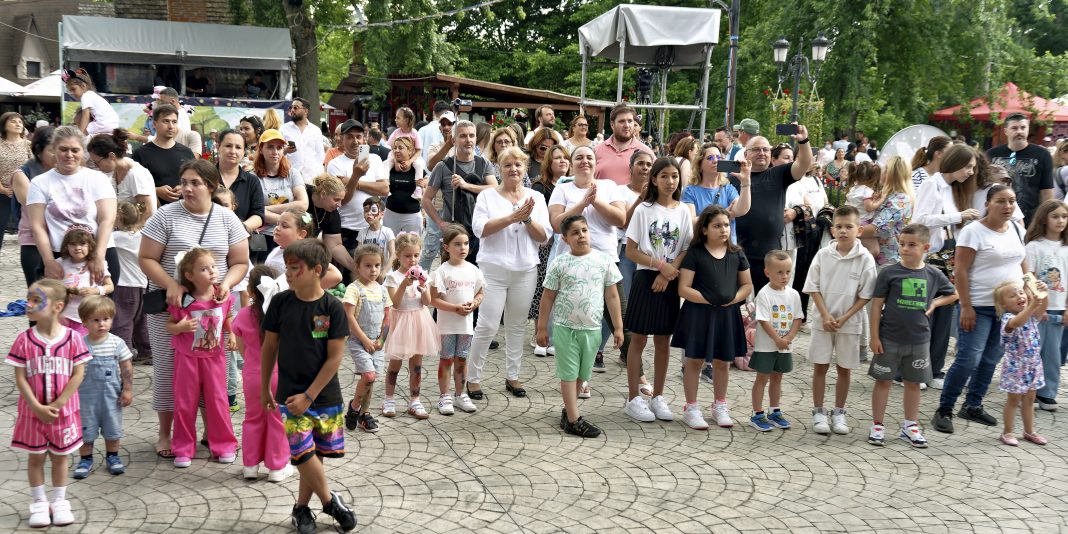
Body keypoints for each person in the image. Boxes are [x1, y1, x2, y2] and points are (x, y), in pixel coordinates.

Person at [140, 160, 249, 459]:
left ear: (211, 186)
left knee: (210, 371)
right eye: (184, 182)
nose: (187, 188)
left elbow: (240, 261)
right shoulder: (165, 215)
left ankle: (211, 432)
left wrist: (227, 283)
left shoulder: (227, 219)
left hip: (211, 309)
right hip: (172, 308)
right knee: (168, 370)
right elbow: (146, 258)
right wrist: (171, 284)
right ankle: (166, 433)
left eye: (195, 183)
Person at [259, 239, 357, 534]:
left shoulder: (333, 308)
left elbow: (334, 359)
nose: (288, 274)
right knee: (302, 452)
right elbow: (269, 347)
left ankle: (301, 508)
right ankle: (329, 502)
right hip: (290, 396)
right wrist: (265, 387)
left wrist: (310, 395)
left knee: (313, 456)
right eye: (287, 268)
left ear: (317, 270)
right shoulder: (280, 303)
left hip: (324, 396)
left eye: (295, 268)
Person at [931, 184, 1028, 434]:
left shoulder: (1017, 229)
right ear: (987, 204)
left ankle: (973, 405)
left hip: (1007, 309)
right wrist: (965, 306)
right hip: (978, 306)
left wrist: (1030, 289)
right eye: (1001, 201)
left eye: (1011, 201)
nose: (1007, 206)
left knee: (991, 358)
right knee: (968, 358)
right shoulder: (973, 231)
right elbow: (961, 270)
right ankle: (944, 409)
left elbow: (1023, 263)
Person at [467, 147, 550, 400]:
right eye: (507, 165)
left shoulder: (536, 197)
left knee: (516, 325)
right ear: (499, 169)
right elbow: (480, 229)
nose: (513, 169)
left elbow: (544, 237)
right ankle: (473, 378)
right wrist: (513, 217)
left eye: (518, 165)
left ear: (525, 168)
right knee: (488, 325)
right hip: (493, 269)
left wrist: (527, 219)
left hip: (525, 269)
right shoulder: (487, 197)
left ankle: (513, 376)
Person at [7, 279, 90, 528]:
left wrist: (59, 403)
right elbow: (20, 377)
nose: (28, 304)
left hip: (64, 414)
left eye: (36, 300)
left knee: (60, 458)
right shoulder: (23, 340)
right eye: (28, 299)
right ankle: (39, 502)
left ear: (57, 306)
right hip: (31, 414)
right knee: (36, 458)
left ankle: (59, 501)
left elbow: (78, 373)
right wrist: (36, 407)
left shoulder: (73, 338)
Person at [867, 224, 957, 448]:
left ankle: (910, 426)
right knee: (883, 381)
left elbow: (953, 294)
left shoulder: (933, 274)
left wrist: (935, 303)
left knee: (914, 383)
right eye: (902, 244)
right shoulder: (889, 272)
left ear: (926, 247)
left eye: (911, 245)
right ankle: (877, 425)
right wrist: (874, 336)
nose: (905, 249)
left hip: (919, 340)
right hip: (889, 338)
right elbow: (876, 305)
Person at [536, 215, 622, 437]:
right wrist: (542, 327)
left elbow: (612, 296)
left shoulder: (604, 261)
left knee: (583, 374)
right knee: (569, 373)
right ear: (565, 239)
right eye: (575, 232)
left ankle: (569, 410)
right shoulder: (560, 263)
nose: (581, 235)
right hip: (565, 328)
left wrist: (619, 327)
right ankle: (574, 420)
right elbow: (547, 296)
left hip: (592, 329)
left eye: (584, 230)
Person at [622, 157, 693, 423]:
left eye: (674, 176)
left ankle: (658, 396)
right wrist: (660, 266)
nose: (669, 181)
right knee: (638, 338)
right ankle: (633, 398)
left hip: (671, 278)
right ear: (654, 179)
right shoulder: (644, 210)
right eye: (664, 176)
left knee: (663, 340)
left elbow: (686, 247)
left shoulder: (683, 210)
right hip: (646, 277)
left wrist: (668, 271)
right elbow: (631, 251)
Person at [672, 205, 752, 430]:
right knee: (694, 360)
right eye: (717, 226)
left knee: (722, 361)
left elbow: (747, 285)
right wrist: (709, 299)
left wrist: (732, 299)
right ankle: (691, 407)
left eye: (726, 225)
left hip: (727, 315)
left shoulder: (737, 254)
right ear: (705, 229)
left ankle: (720, 405)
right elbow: (683, 288)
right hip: (699, 315)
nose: (723, 229)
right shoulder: (695, 254)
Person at [547, 145, 625, 372]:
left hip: (605, 262)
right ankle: (577, 376)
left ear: (596, 162)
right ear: (571, 164)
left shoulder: (608, 186)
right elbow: (556, 224)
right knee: (576, 320)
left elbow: (620, 219)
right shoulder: (562, 189)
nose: (584, 161)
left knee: (620, 319)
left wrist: (595, 200)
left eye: (589, 157)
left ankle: (638, 378)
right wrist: (582, 203)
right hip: (571, 264)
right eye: (579, 157)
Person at [803, 205, 877, 435]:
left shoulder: (865, 259)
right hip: (822, 321)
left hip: (850, 323)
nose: (843, 231)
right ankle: (818, 411)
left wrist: (845, 317)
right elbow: (813, 286)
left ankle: (839, 412)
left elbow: (866, 295)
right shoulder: (823, 255)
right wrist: (825, 314)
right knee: (820, 366)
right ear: (832, 230)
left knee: (844, 368)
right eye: (839, 227)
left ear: (859, 230)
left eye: (849, 226)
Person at [913, 144, 981, 387]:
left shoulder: (953, 189)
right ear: (956, 162)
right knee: (927, 315)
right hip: (932, 255)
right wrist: (958, 216)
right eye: (968, 167)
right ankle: (913, 370)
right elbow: (920, 219)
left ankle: (934, 369)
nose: (970, 172)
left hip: (950, 255)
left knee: (944, 315)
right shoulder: (932, 184)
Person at [166, 248, 237, 468]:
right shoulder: (183, 300)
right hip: (187, 359)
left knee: (218, 401)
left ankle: (224, 445)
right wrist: (180, 327)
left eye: (213, 266)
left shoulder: (222, 296)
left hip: (215, 358)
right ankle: (183, 448)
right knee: (185, 403)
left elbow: (228, 317)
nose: (212, 271)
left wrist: (233, 334)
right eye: (204, 269)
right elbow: (170, 325)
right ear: (189, 275)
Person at [27, 126, 119, 286]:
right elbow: (37, 226)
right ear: (54, 149)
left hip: (99, 252)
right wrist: (49, 261)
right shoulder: (39, 183)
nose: (69, 155)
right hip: (58, 255)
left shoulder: (98, 179)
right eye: (63, 149)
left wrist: (98, 256)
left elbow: (107, 220)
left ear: (82, 151)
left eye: (75, 150)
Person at [734, 124, 813, 292]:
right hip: (737, 253)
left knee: (768, 301)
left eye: (766, 149)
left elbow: (804, 163)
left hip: (769, 256)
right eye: (756, 149)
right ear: (746, 154)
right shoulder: (734, 178)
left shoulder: (778, 174)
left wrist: (803, 141)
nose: (762, 153)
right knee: (737, 303)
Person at [235, 265, 292, 482]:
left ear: (250, 290)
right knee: (278, 419)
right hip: (279, 373)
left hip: (252, 375)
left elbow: (242, 348)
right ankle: (277, 466)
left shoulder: (243, 314)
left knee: (252, 418)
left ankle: (250, 465)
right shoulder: (283, 314)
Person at [72, 296, 133, 478]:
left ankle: (113, 456)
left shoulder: (117, 343)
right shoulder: (79, 344)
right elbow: (72, 370)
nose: (101, 324)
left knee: (112, 428)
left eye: (106, 319)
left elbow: (126, 367)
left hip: (111, 397)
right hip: (85, 398)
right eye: (95, 320)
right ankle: (85, 459)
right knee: (85, 429)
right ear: (84, 322)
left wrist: (127, 389)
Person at [423, 120, 498, 267]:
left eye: (472, 135)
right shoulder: (443, 166)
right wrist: (440, 223)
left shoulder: (484, 164)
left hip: (479, 231)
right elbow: (426, 199)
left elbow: (494, 189)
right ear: (454, 140)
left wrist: (466, 185)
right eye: (463, 136)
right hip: (454, 233)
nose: (468, 140)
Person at [382, 233, 440, 419]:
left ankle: (415, 400)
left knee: (416, 365)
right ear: (398, 255)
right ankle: (389, 399)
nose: (412, 259)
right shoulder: (393, 277)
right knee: (395, 363)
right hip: (401, 323)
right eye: (407, 256)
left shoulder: (423, 274)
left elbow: (427, 302)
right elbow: (396, 303)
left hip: (419, 321)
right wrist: (404, 285)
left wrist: (424, 289)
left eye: (416, 255)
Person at [429, 224, 485, 415]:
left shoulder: (474, 270)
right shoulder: (441, 272)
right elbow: (434, 300)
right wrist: (455, 308)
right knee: (446, 359)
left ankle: (460, 394)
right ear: (446, 247)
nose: (463, 248)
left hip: (466, 325)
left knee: (462, 358)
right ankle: (444, 396)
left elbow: (480, 292)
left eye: (466, 243)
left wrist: (474, 303)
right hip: (447, 325)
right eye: (457, 244)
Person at [326, 120, 389, 277]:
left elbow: (384, 189)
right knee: (352, 278)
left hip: (374, 228)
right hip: (349, 230)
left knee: (375, 276)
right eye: (350, 137)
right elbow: (342, 200)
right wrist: (356, 175)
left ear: (364, 138)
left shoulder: (374, 159)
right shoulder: (334, 164)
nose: (355, 141)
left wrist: (353, 181)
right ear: (341, 139)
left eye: (358, 137)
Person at [749, 250, 803, 431]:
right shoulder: (764, 294)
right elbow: (763, 321)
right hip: (766, 346)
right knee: (762, 378)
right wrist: (777, 339)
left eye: (788, 272)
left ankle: (774, 411)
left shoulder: (794, 294)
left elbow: (797, 318)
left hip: (784, 346)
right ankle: (757, 414)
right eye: (779, 272)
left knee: (777, 377)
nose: (784, 276)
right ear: (767, 272)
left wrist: (788, 338)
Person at [1023, 198, 1068, 412]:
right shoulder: (1034, 246)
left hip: (1059, 308)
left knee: (1053, 354)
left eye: (1064, 216)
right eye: (1055, 216)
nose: (1061, 221)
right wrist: (1037, 304)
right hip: (1037, 308)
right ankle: (1027, 391)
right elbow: (1028, 277)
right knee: (1032, 351)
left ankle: (1047, 393)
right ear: (1044, 219)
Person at [341, 245, 390, 432]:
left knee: (371, 379)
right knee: (368, 375)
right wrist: (364, 340)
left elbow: (388, 317)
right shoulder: (354, 289)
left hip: (377, 343)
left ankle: (365, 414)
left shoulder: (382, 290)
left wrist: (381, 340)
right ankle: (354, 408)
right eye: (368, 266)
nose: (373, 270)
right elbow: (349, 316)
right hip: (358, 341)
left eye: (377, 265)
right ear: (358, 266)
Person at [993, 280, 1048, 446]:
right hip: (1016, 367)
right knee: (1014, 400)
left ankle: (1029, 431)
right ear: (1003, 304)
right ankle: (1008, 431)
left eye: (1021, 293)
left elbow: (1043, 307)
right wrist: (1031, 306)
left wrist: (1043, 293)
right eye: (1012, 295)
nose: (1019, 296)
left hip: (1033, 364)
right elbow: (1017, 323)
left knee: (1030, 399)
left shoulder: (1031, 316)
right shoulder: (1008, 318)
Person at [988, 113, 1055, 225]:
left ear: (1028, 129)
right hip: (997, 219)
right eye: (1014, 128)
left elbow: (1047, 192)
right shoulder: (992, 154)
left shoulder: (1042, 154)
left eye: (1023, 127)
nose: (1019, 131)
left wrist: (1047, 218)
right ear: (1006, 131)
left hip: (1031, 220)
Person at [255, 129, 309, 257]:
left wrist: (265, 209)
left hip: (289, 237)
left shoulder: (293, 173)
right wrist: (286, 222)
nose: (275, 152)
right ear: (261, 149)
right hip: (262, 237)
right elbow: (253, 212)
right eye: (270, 147)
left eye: (279, 148)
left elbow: (303, 205)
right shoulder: (253, 177)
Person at [262, 208, 344, 290]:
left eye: (284, 226)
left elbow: (336, 275)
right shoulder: (276, 250)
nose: (277, 228)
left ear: (301, 234)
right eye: (277, 224)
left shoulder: (304, 255)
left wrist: (302, 288)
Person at [683, 143, 751, 241]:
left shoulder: (728, 188)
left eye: (718, 157)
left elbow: (741, 210)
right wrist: (723, 214)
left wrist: (745, 182)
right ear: (700, 165)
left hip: (727, 247)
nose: (715, 161)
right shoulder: (690, 191)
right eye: (710, 158)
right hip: (702, 246)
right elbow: (691, 223)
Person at [12, 126, 54, 286]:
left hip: (63, 239)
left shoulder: (66, 172)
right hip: (33, 241)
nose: (58, 154)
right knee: (39, 291)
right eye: (52, 150)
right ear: (39, 151)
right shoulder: (22, 174)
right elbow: (33, 207)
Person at [87, 129, 156, 225]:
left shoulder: (135, 174)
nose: (97, 166)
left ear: (111, 156)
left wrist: (130, 231)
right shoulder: (115, 171)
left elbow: (147, 212)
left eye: (97, 162)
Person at [133, 104, 197, 206]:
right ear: (154, 124)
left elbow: (197, 181)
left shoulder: (186, 152)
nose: (171, 126)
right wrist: (156, 191)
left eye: (174, 122)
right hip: (153, 210)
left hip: (185, 210)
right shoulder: (140, 154)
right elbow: (133, 185)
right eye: (166, 121)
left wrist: (184, 187)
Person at [112, 201, 151, 364]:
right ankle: (146, 350)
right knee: (141, 320)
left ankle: (124, 353)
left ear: (118, 218)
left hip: (124, 285)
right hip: (142, 284)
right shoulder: (142, 235)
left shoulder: (117, 237)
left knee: (123, 320)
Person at [57, 226, 114, 335]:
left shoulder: (98, 264)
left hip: (88, 317)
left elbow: (110, 286)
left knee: (84, 343)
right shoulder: (60, 263)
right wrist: (64, 291)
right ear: (66, 246)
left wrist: (95, 291)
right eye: (73, 244)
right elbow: (51, 286)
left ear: (90, 245)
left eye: (82, 244)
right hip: (64, 316)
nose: (77, 248)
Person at [306, 174, 360, 275]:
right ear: (323, 194)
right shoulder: (303, 194)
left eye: (341, 200)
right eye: (336, 199)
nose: (339, 204)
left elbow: (335, 246)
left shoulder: (332, 214)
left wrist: (357, 269)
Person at [216, 129, 266, 235]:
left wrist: (238, 229)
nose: (233, 151)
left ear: (244, 152)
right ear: (218, 147)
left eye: (238, 147)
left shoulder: (252, 181)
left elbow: (258, 215)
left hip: (241, 238)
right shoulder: (205, 178)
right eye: (228, 146)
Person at [595, 105, 654, 186]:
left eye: (630, 121)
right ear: (612, 125)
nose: (626, 125)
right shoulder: (597, 150)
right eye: (622, 121)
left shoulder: (646, 152)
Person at [383, 137, 426, 235]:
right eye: (395, 148)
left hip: (412, 216)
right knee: (390, 244)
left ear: (410, 151)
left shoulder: (417, 169)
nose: (397, 150)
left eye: (400, 148)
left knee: (412, 244)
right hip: (391, 214)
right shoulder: (389, 167)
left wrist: (424, 185)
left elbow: (428, 185)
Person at [0, 112, 31, 246]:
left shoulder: (28, 144)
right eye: (13, 121)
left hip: (27, 192)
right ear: (4, 126)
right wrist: (2, 189)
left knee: (30, 229)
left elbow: (34, 167)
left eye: (20, 121)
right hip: (4, 191)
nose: (18, 124)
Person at [280, 98, 326, 181]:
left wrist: (319, 175)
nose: (292, 110)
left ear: (305, 111)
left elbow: (320, 156)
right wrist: (285, 150)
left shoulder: (315, 130)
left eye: (295, 108)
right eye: (291, 108)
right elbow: (278, 151)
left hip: (311, 178)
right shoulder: (284, 129)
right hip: (290, 177)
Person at [63, 69, 118, 136]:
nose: (72, 93)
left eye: (73, 89)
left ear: (83, 86)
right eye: (70, 90)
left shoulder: (85, 96)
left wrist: (80, 133)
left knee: (81, 134)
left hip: (103, 124)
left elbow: (85, 117)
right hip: (114, 124)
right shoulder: (93, 95)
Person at [359, 198, 396, 274]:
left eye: (373, 210)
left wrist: (384, 272)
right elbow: (359, 255)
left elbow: (393, 255)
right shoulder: (362, 233)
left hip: (385, 273)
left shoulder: (388, 232)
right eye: (366, 210)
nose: (369, 213)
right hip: (368, 273)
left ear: (382, 214)